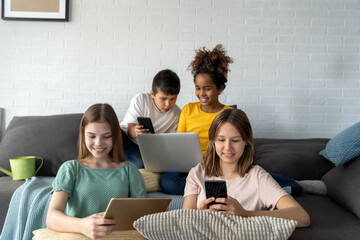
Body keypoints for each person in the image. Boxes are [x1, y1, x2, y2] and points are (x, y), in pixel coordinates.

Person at [183, 108, 311, 227]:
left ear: (246, 142)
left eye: (235, 140)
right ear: (213, 141)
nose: (228, 147)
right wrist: (198, 215)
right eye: (221, 140)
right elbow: (184, 222)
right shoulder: (197, 173)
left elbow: (302, 216)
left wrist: (245, 214)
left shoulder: (257, 176)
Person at [46, 103, 147, 239]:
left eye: (106, 136)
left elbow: (141, 216)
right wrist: (81, 225)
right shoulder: (70, 169)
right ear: (83, 133)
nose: (98, 143)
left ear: (116, 135)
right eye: (92, 136)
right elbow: (52, 217)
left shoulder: (129, 170)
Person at [159, 44, 233, 194]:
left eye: (207, 88)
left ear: (220, 89)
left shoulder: (229, 114)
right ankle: (212, 188)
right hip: (190, 166)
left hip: (217, 165)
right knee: (167, 181)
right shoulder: (188, 109)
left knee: (250, 175)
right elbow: (179, 143)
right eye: (198, 88)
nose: (201, 93)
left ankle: (205, 187)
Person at [120, 69, 181, 168]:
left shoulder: (177, 114)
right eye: (163, 99)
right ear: (152, 94)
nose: (168, 104)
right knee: (113, 130)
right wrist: (135, 131)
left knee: (139, 164)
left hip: (144, 148)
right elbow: (129, 127)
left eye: (173, 99)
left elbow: (171, 143)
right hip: (126, 138)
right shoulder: (141, 99)